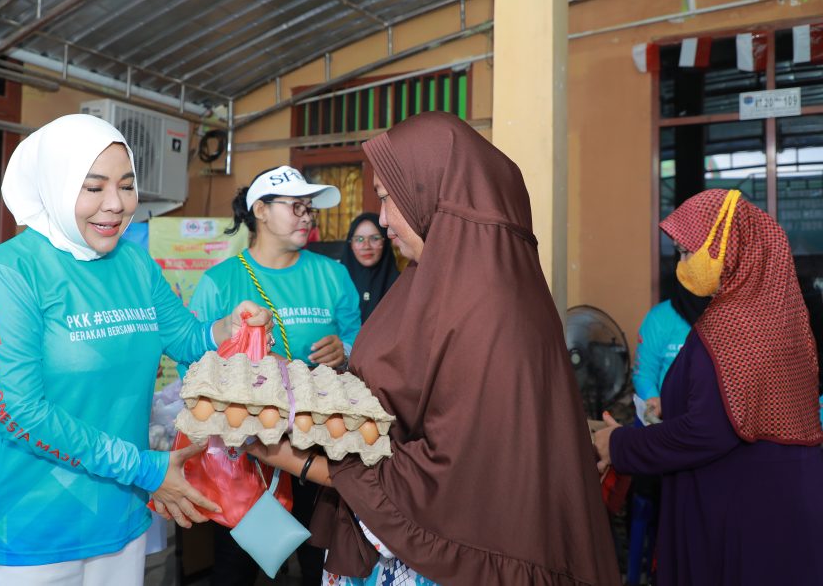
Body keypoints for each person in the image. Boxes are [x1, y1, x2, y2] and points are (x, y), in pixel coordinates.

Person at [248, 112, 619, 586]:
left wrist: (298, 461)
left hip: (443, 558)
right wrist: (297, 382)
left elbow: (449, 478)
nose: (383, 219)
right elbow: (390, 393)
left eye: (387, 198)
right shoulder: (426, 282)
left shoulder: (490, 307)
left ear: (431, 193)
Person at [0, 114, 272, 584]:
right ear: (55, 185)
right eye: (94, 187)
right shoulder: (9, 275)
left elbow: (188, 340)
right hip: (32, 530)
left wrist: (230, 327)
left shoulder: (134, 264)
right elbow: (18, 414)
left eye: (126, 186)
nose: (116, 204)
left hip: (122, 516)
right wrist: (143, 468)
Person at [594, 189, 823, 585]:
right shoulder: (779, 318)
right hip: (785, 508)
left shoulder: (730, 326)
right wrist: (672, 406)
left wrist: (618, 444)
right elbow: (739, 406)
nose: (681, 266)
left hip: (741, 516)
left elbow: (707, 431)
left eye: (688, 252)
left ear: (729, 250)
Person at [188, 164, 361, 586]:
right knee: (235, 568)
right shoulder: (219, 281)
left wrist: (345, 351)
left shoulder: (333, 275)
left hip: (319, 451)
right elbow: (191, 365)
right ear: (261, 211)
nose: (307, 216)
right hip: (246, 458)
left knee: (321, 563)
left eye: (310, 208)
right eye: (296, 206)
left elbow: (360, 344)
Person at [633, 278, 710, 420]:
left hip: (714, 417)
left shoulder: (728, 316)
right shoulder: (659, 318)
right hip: (668, 417)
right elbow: (644, 373)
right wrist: (654, 403)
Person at [340, 212, 400, 323]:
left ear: (385, 243)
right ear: (350, 244)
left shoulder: (400, 284)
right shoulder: (336, 282)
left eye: (375, 238)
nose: (366, 246)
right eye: (359, 239)